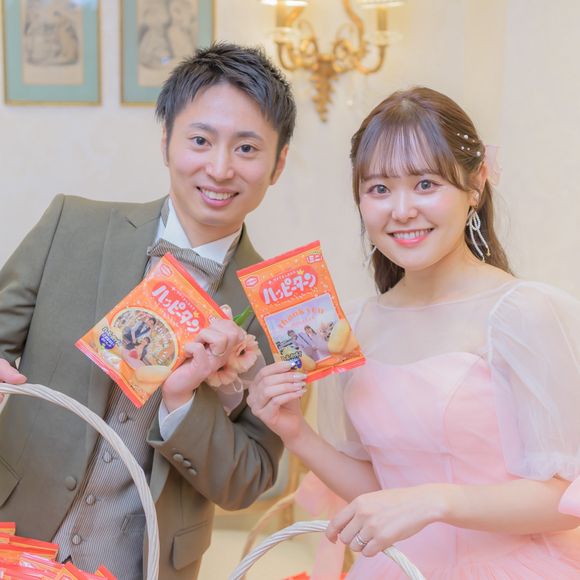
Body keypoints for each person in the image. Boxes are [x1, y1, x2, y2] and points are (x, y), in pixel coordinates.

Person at [248, 87, 580, 577]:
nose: (400, 210)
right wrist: (294, 432)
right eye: (379, 189)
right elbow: (378, 495)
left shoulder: (523, 314)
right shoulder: (354, 326)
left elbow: (566, 499)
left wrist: (438, 500)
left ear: (475, 186)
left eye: (425, 184)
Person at [0, 42, 296, 580]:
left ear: (279, 164)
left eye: (247, 148)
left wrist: (184, 404)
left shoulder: (278, 305)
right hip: (14, 531)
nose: (220, 168)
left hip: (145, 564)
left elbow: (249, 481)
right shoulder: (71, 226)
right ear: (166, 142)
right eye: (200, 140)